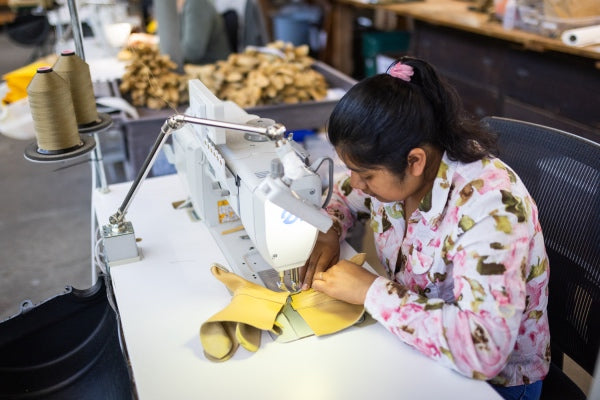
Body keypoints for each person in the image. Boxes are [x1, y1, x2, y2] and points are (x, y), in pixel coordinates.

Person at [300, 56, 550, 400]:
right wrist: (330, 229)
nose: (356, 184)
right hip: (422, 348)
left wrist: (370, 291)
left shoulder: (490, 208)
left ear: (415, 161)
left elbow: (484, 351)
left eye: (366, 175)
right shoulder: (397, 170)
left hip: (491, 384)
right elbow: (343, 195)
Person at [178, 0, 231, 65]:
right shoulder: (180, 6)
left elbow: (192, 52)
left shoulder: (196, 3)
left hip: (215, 69)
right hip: (197, 68)